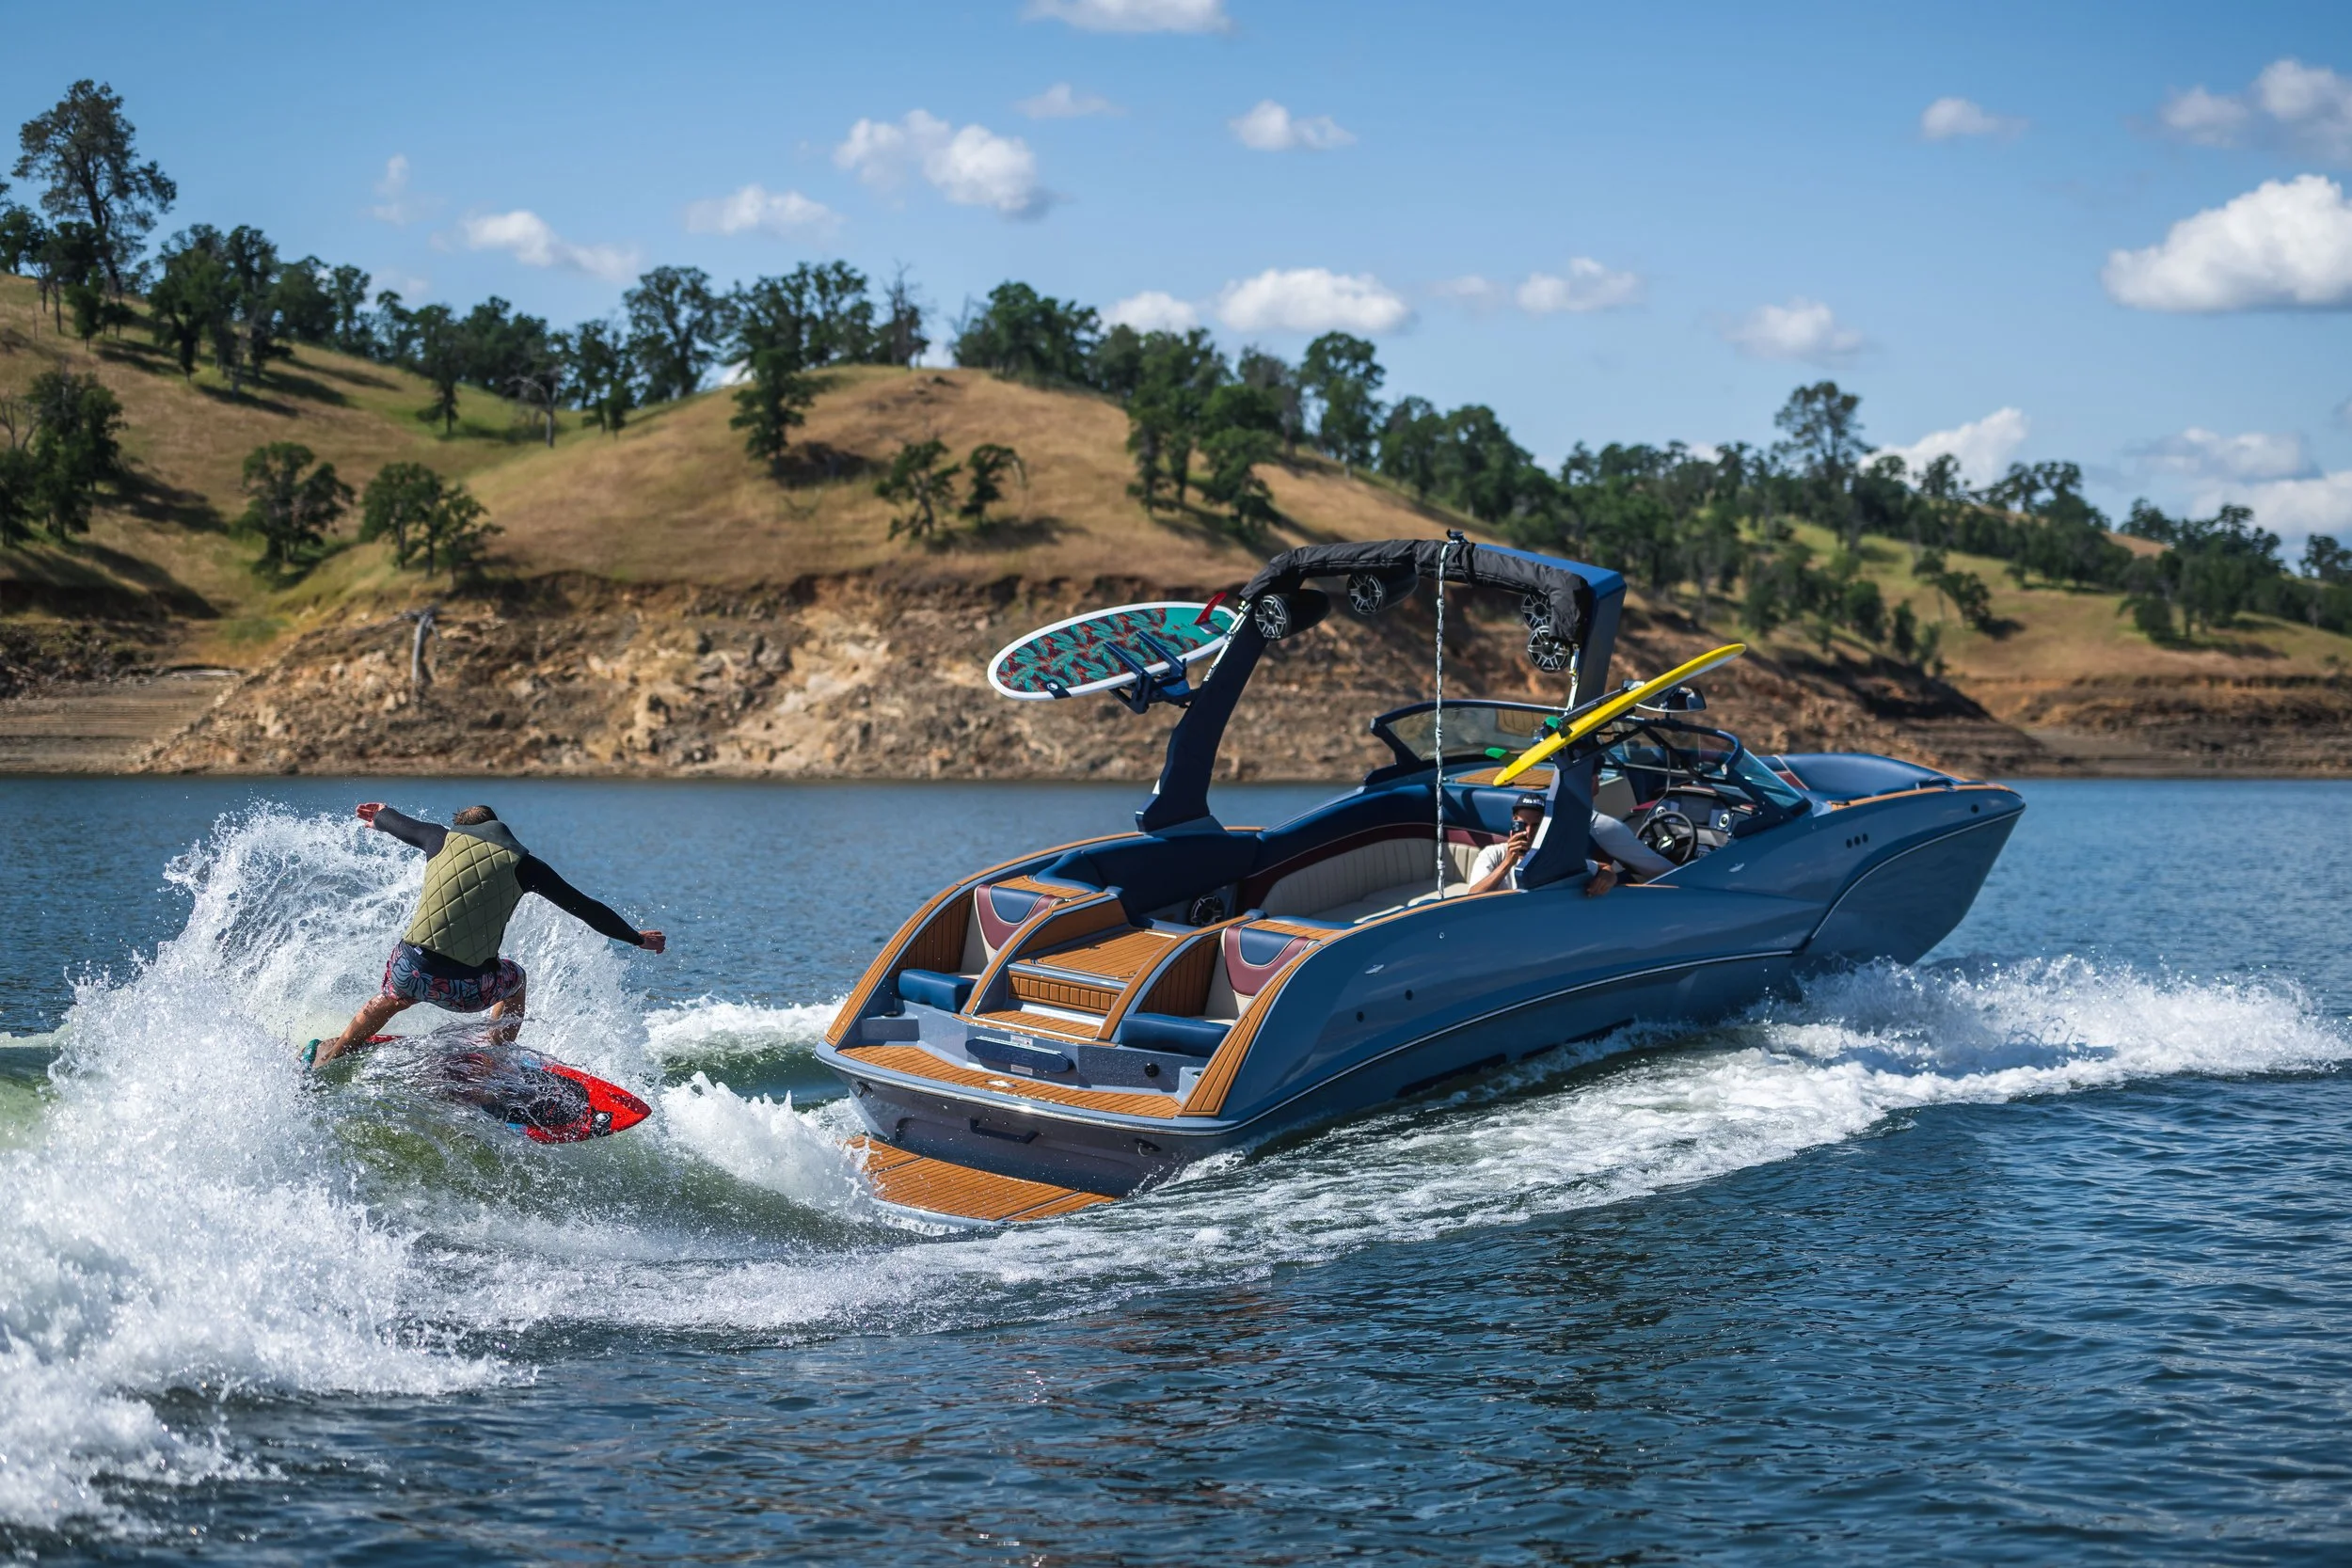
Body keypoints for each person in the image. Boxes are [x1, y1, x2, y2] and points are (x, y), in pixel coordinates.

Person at [308, 803, 666, 1068]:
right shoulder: (525, 866)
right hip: (466, 990)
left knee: (393, 995)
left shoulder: (438, 838)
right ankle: (492, 1062)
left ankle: (335, 1054)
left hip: (410, 972)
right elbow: (587, 908)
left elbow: (397, 822)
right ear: (497, 827)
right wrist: (636, 938)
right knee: (516, 978)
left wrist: (380, 816)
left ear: (461, 827)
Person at [1465, 792, 1676, 898]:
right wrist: (1507, 864)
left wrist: (1607, 877)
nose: (1528, 832)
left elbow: (1604, 868)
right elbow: (1472, 897)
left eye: (1537, 826)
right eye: (1523, 824)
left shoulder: (1556, 856)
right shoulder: (1493, 854)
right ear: (1513, 825)